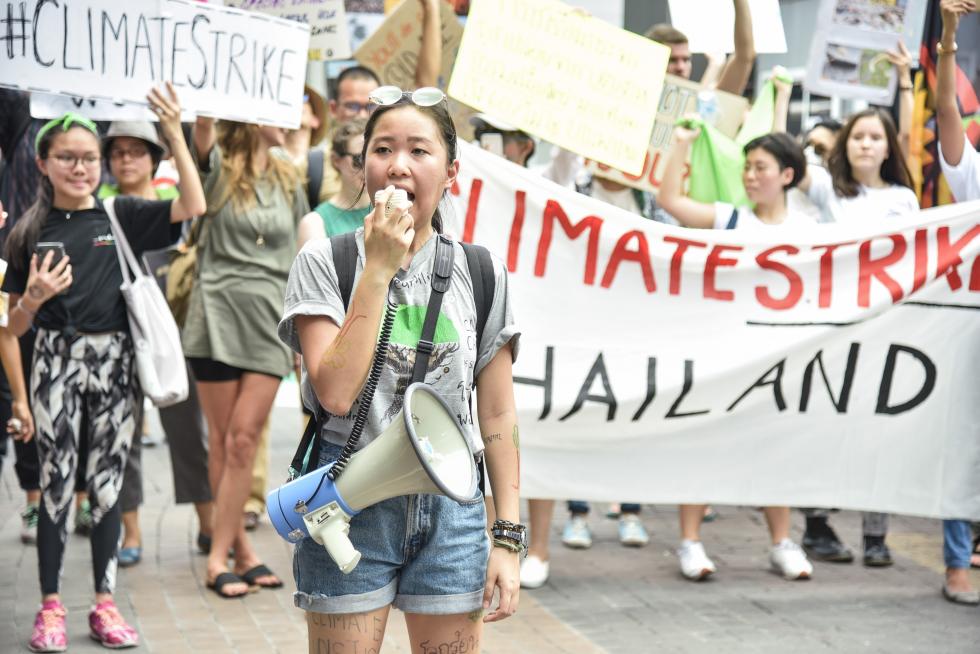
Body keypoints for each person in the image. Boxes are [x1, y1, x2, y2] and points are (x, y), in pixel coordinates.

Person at [280, 85, 521, 651]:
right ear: (363, 166)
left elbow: (498, 411)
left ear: (451, 170)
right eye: (383, 149)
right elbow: (336, 393)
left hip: (452, 512)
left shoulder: (482, 272)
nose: (399, 166)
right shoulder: (325, 262)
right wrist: (378, 270)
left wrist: (507, 535)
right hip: (348, 501)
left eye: (419, 151)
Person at [2, 83, 205, 652]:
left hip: (115, 369)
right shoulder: (25, 232)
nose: (81, 168)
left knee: (109, 488)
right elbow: (12, 330)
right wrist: (32, 301)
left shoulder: (122, 215)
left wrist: (174, 134)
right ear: (42, 163)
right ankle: (49, 607)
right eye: (67, 157)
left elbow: (193, 206)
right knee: (56, 486)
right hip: (54, 369)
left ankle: (104, 603)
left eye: (89, 158)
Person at [659, 125, 816, 581]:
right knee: (704, 443)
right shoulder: (731, 220)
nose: (750, 175)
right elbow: (672, 201)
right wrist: (682, 145)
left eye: (760, 168)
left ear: (787, 174)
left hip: (779, 357)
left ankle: (782, 543)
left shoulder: (809, 231)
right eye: (747, 167)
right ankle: (690, 542)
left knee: (775, 451)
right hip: (723, 354)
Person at [188, 111, 308, 598]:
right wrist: (202, 115)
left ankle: (226, 551)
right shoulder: (217, 165)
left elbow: (303, 250)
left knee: (243, 439)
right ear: (254, 116)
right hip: (215, 313)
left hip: (268, 321)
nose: (295, 116)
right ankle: (233, 552)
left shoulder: (287, 175)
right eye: (284, 108)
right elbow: (201, 140)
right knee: (222, 440)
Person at [97, 120, 215, 566]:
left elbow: (195, 202)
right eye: (117, 152)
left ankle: (208, 523)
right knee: (121, 437)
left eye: (136, 151)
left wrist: (175, 134)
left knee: (188, 434)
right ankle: (131, 533)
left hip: (171, 338)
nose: (126, 159)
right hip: (117, 337)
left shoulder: (169, 211)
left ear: (154, 158)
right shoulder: (98, 209)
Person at [934, 0, 980, 605]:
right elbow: (946, 108)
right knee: (964, 444)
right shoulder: (974, 174)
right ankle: (955, 564)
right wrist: (947, 35)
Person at [645, 0, 756, 96]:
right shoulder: (634, 104)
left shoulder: (698, 107)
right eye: (672, 60)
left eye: (686, 60)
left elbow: (744, 57)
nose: (681, 67)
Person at [298, 118, 371, 248]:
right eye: (358, 159)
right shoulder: (315, 223)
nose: (367, 168)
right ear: (336, 160)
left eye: (375, 156)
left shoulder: (394, 210)